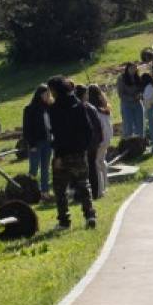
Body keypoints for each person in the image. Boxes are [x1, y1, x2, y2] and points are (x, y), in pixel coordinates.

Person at [46, 75, 98, 230]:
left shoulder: (54, 109)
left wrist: (58, 156)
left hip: (63, 154)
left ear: (55, 90)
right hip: (79, 152)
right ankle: (89, 215)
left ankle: (64, 221)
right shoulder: (79, 105)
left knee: (60, 189)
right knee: (83, 185)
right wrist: (83, 148)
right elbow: (88, 130)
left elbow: (58, 134)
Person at [21, 84, 54, 190]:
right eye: (46, 94)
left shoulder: (49, 107)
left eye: (49, 94)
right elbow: (27, 129)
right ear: (40, 94)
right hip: (36, 143)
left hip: (48, 141)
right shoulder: (29, 109)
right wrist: (31, 144)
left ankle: (45, 191)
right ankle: (31, 190)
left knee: (46, 168)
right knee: (34, 168)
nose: (48, 96)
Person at [116, 62, 148, 149]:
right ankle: (128, 145)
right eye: (131, 68)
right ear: (127, 69)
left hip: (138, 103)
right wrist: (131, 98)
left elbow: (141, 89)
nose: (133, 70)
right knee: (128, 124)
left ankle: (141, 144)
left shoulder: (137, 77)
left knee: (140, 123)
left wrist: (140, 94)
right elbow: (120, 94)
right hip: (126, 104)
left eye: (135, 69)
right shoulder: (121, 78)